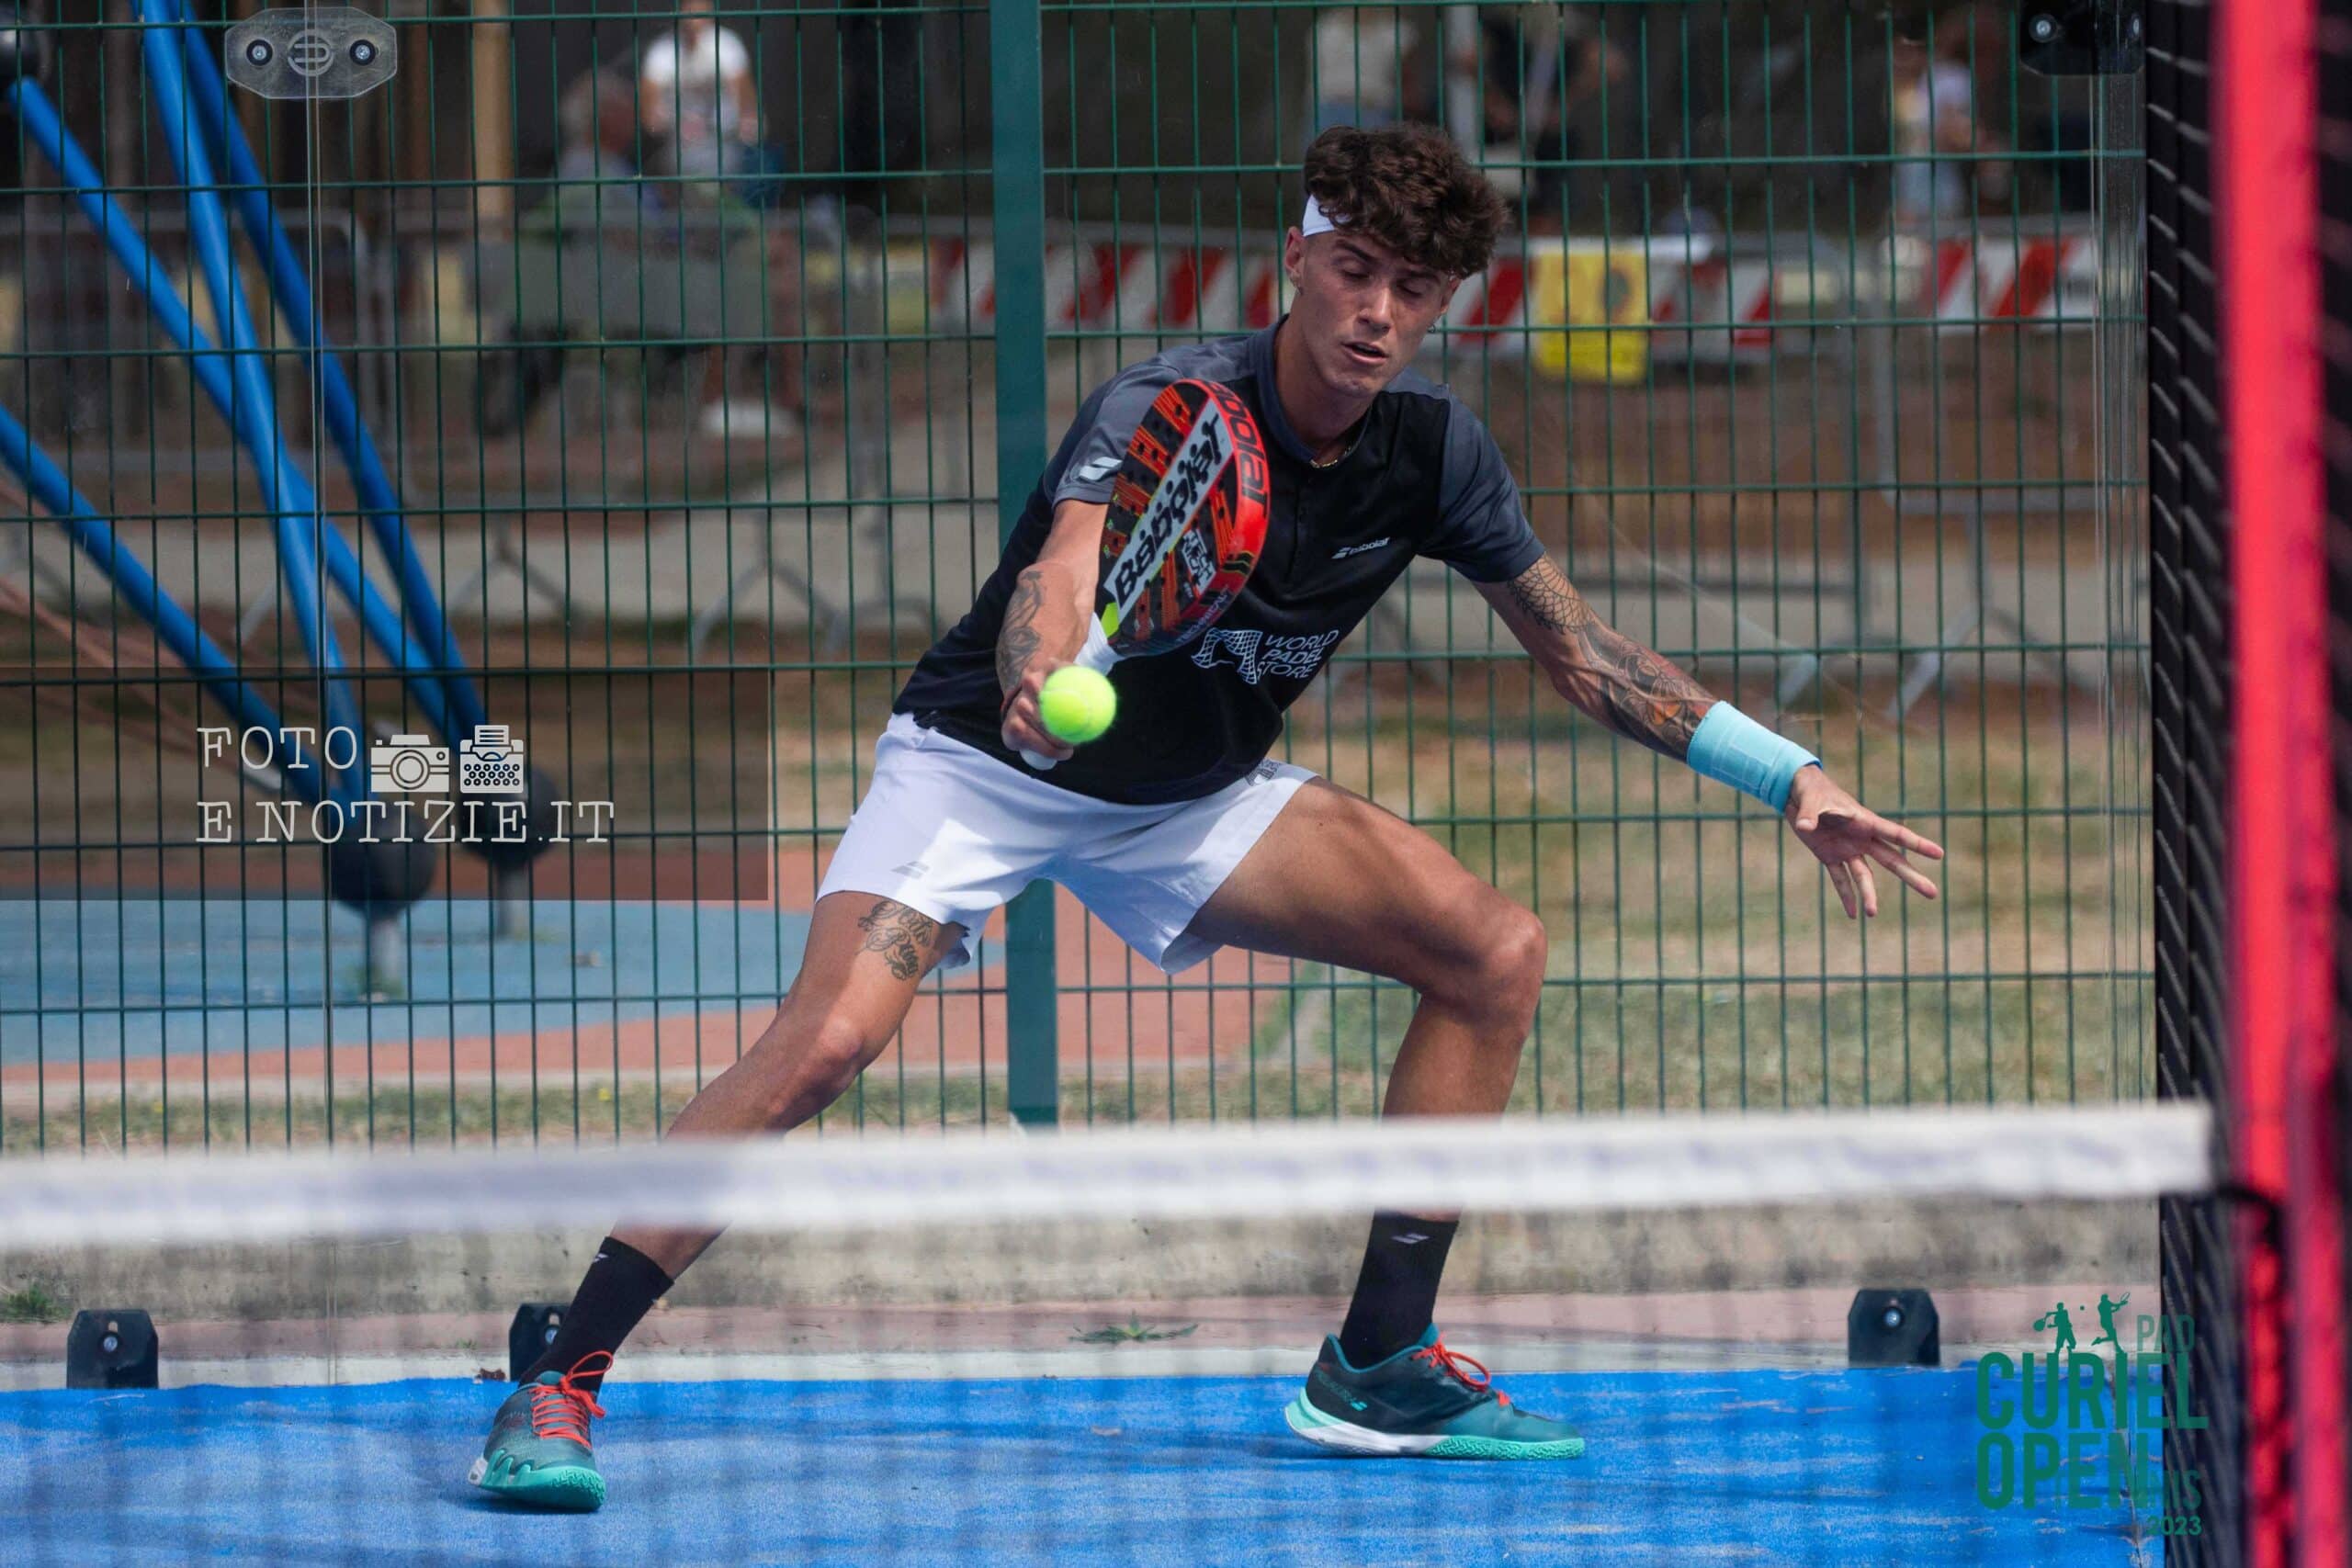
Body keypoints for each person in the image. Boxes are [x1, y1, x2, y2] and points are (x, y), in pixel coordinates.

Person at [469, 122, 1944, 1507]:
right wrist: (1040, 669)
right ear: (1296, 259)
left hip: (1189, 798)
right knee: (827, 1042)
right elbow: (1060, 574)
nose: (1376, 312)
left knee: (1492, 950)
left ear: (1442, 307)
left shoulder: (1433, 454)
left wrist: (1788, 774)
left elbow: (1581, 652)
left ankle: (1378, 1360)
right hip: (985, 770)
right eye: (1354, 269)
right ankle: (560, 1377)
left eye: (1413, 288)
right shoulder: (1166, 408)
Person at [637, 0, 762, 186]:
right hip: (677, 143)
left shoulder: (727, 45)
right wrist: (657, 120)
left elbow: (743, 91)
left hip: (723, 141)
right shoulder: (663, 50)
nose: (694, 18)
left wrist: (747, 120)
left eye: (699, 11)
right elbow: (649, 97)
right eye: (689, 10)